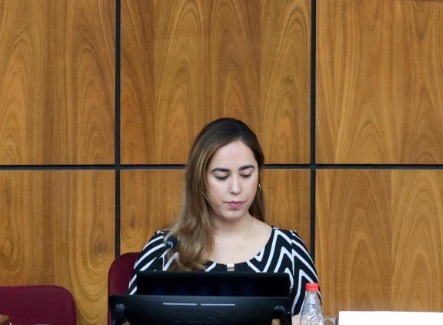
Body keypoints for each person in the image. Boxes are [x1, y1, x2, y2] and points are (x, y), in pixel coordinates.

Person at [129, 117, 318, 314]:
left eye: (246, 175)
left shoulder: (289, 249)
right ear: (200, 180)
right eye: (222, 176)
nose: (236, 188)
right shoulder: (165, 249)